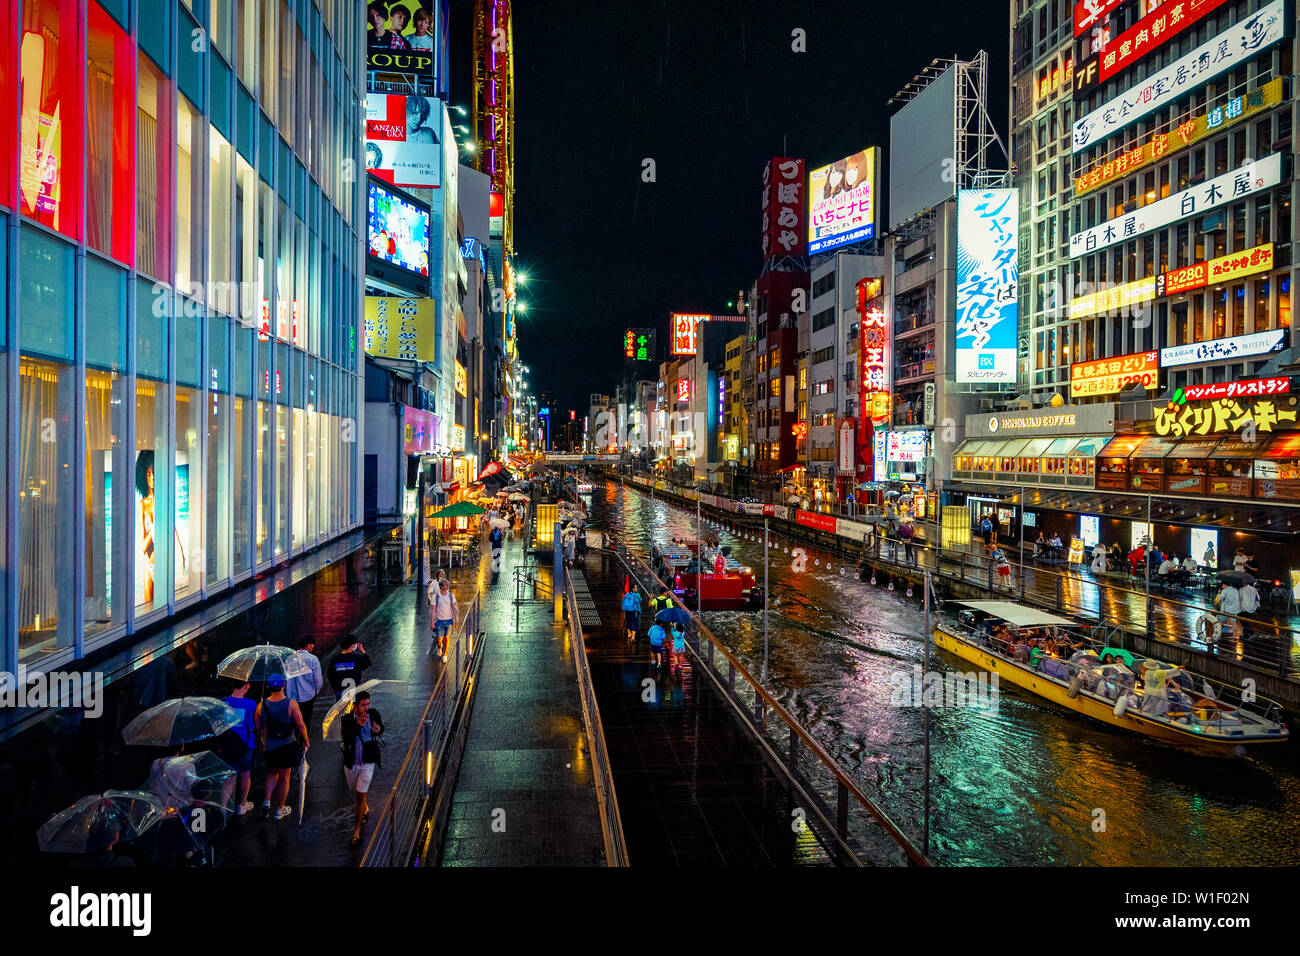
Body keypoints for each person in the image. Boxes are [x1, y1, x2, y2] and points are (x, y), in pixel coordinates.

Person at [255, 674, 309, 821]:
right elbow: (300, 724)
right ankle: (280, 809)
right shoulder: (291, 704)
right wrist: (306, 739)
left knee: (271, 773)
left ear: (269, 687)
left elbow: (258, 728)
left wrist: (261, 741)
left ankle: (267, 800)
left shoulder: (261, 706)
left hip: (269, 746)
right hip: (287, 745)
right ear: (283, 685)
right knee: (284, 777)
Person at [340, 690, 384, 847]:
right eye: (363, 705)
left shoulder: (373, 714)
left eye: (368, 704)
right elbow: (346, 737)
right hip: (352, 762)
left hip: (367, 761)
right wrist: (357, 726)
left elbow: (381, 728)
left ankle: (356, 831)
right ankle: (365, 808)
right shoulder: (346, 719)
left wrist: (377, 730)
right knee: (355, 789)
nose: (366, 708)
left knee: (359, 796)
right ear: (355, 706)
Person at [221, 680, 258, 815]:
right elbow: (252, 727)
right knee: (245, 775)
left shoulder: (224, 702)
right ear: (246, 686)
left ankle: (223, 806)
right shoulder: (251, 704)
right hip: (246, 744)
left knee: (229, 777)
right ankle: (242, 804)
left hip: (228, 744)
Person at [286, 635, 324, 729]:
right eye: (312, 644)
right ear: (308, 645)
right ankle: (304, 741)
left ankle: (295, 740)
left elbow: (288, 678)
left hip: (292, 696)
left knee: (294, 720)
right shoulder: (312, 659)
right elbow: (318, 679)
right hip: (308, 695)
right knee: (306, 720)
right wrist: (316, 692)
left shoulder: (290, 658)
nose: (313, 646)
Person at [327, 636, 372, 701]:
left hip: (339, 691)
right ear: (352, 645)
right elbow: (368, 663)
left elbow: (330, 675)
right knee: (351, 709)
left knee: (340, 709)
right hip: (353, 690)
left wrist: (335, 688)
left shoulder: (335, 659)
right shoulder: (357, 658)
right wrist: (363, 650)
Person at [431, 579, 459, 660]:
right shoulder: (436, 596)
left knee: (447, 638)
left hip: (449, 620)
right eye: (446, 585)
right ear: (441, 587)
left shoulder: (451, 596)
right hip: (439, 621)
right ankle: (440, 647)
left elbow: (455, 608)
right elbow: (433, 610)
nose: (448, 586)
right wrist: (432, 623)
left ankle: (445, 655)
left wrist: (456, 620)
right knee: (439, 638)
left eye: (448, 585)